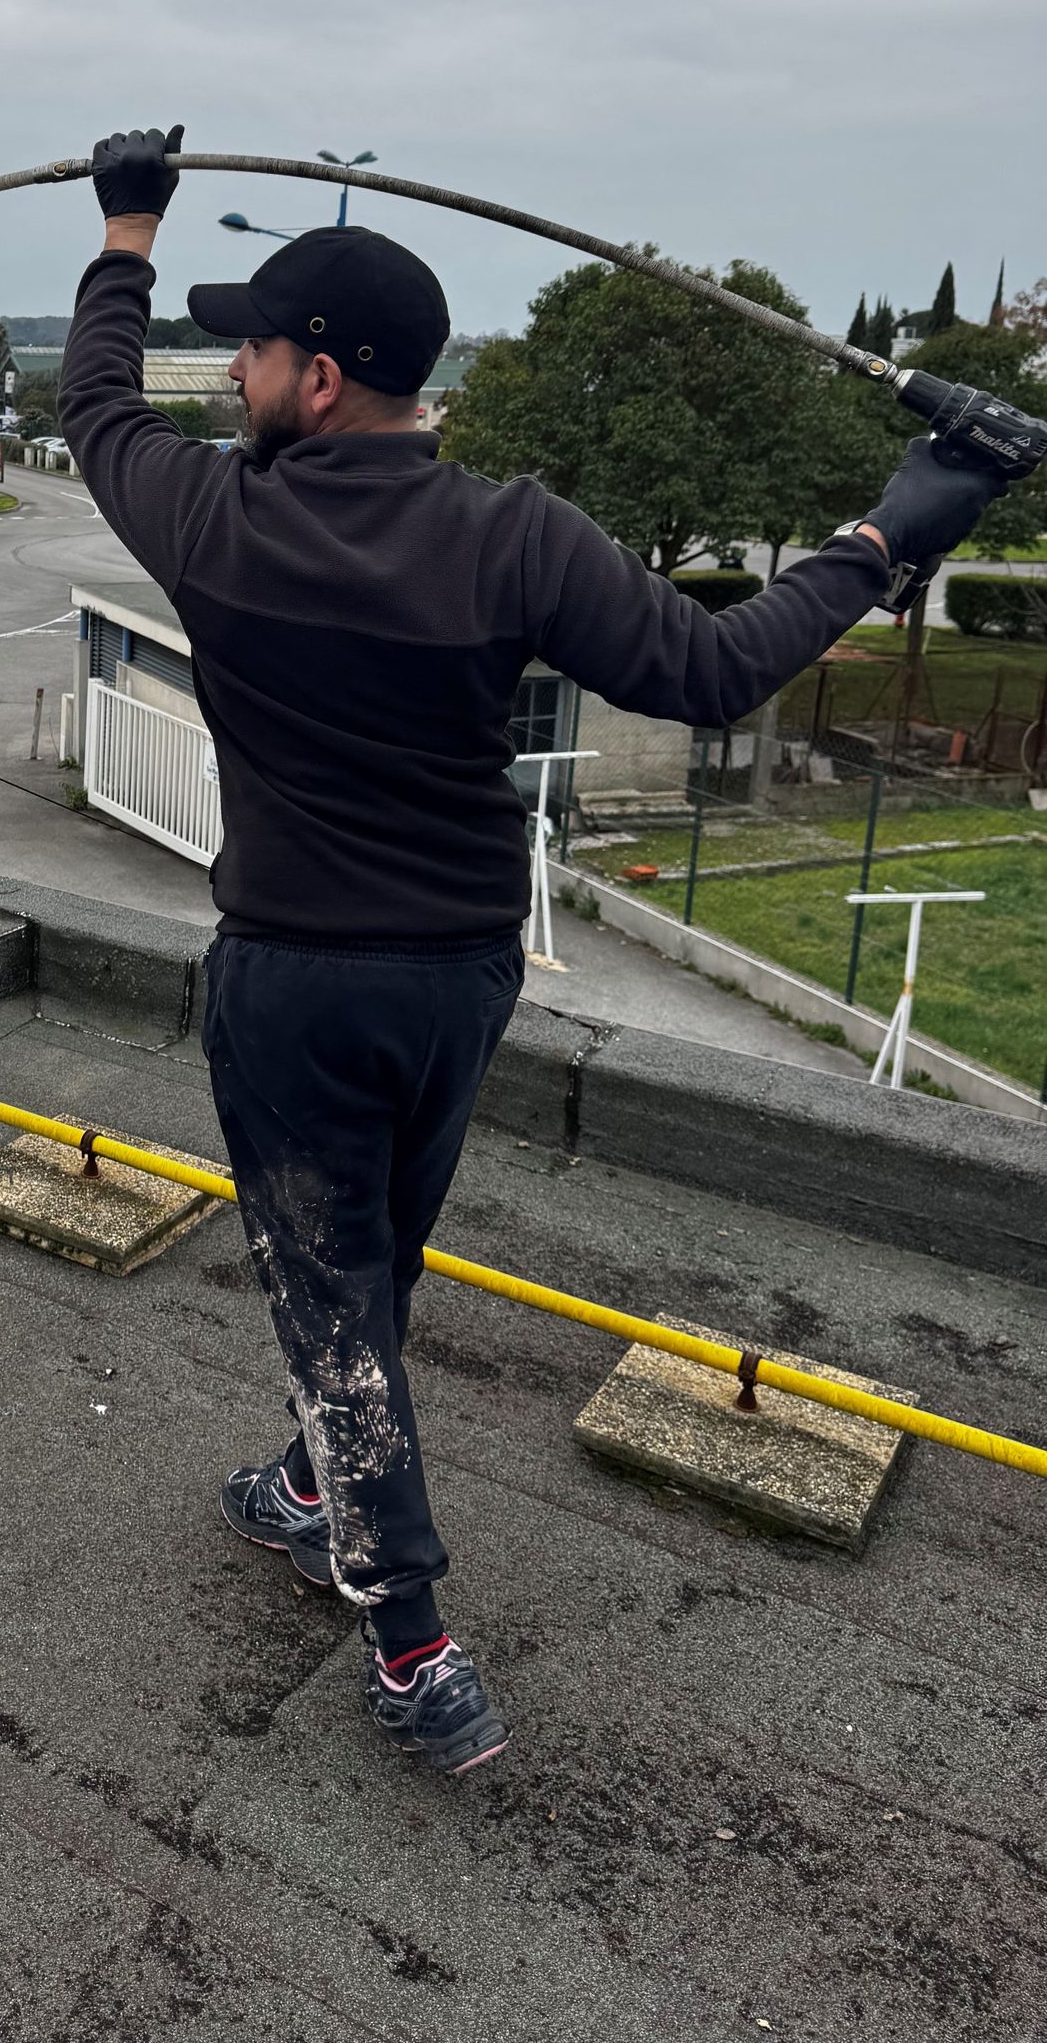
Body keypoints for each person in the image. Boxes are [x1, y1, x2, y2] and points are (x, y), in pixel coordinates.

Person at [60, 124, 1005, 1776]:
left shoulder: (214, 524)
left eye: (258, 351)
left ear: (327, 380)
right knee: (375, 1264)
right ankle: (309, 1488)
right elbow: (719, 670)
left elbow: (95, 405)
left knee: (331, 1303)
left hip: (293, 990)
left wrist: (129, 228)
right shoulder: (514, 532)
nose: (236, 375)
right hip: (459, 980)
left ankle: (413, 1637)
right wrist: (903, 519)